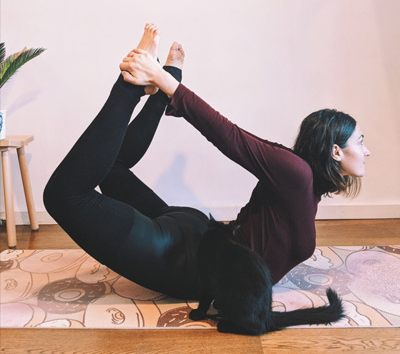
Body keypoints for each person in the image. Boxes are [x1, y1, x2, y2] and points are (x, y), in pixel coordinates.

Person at [44, 24, 370, 300]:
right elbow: (230, 136)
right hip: (188, 261)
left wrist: (167, 79)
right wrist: (164, 79)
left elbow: (243, 142)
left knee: (108, 170)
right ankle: (133, 83)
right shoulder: (297, 174)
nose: (366, 151)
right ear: (336, 151)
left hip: (196, 238)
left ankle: (150, 84)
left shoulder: (303, 180)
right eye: (360, 141)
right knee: (64, 197)